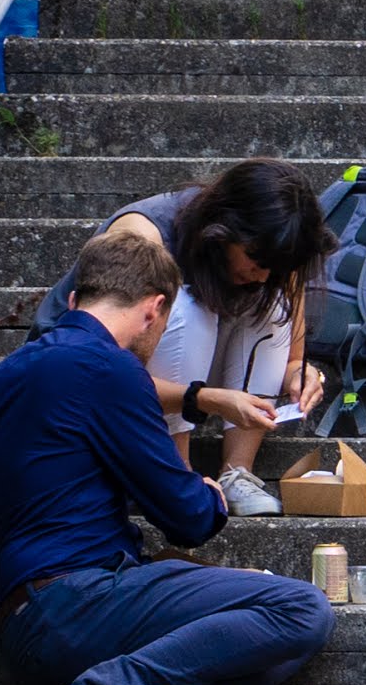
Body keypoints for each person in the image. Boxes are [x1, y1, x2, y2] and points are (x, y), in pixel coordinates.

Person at [0, 223, 332, 685]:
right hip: (83, 606)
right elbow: (188, 517)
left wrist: (13, 568)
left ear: (76, 299)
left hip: (25, 636)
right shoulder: (111, 369)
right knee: (299, 612)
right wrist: (211, 493)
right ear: (156, 309)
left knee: (233, 638)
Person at [32, 160, 330, 516]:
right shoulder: (142, 238)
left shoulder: (273, 259)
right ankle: (176, 474)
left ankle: (238, 472)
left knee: (269, 303)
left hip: (170, 371)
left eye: (277, 267)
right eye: (255, 259)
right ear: (223, 229)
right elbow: (103, 372)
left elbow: (283, 304)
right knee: (186, 307)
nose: (263, 275)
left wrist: (297, 368)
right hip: (82, 378)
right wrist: (204, 399)